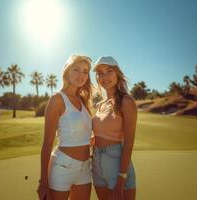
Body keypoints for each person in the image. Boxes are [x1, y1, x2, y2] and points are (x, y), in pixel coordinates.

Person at [37, 54, 93, 200]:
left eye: (85, 71)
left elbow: (81, 133)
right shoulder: (57, 99)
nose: (81, 75)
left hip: (85, 168)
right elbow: (47, 143)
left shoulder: (83, 100)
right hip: (63, 167)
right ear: (67, 71)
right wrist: (44, 180)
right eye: (76, 69)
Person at [92, 56, 137, 200]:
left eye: (109, 71)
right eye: (100, 73)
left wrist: (121, 178)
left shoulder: (126, 101)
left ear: (117, 73)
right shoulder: (100, 105)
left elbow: (129, 144)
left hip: (116, 163)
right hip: (96, 162)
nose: (104, 76)